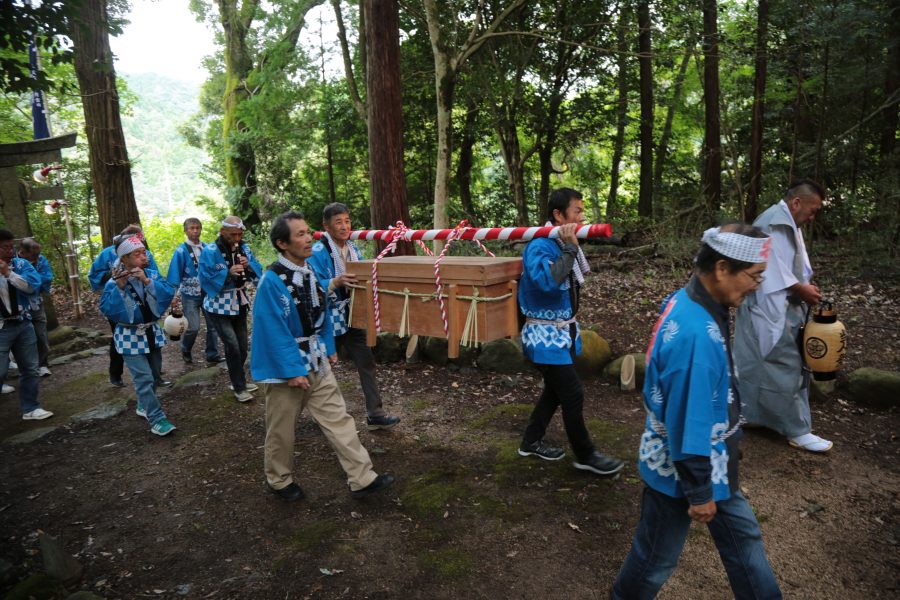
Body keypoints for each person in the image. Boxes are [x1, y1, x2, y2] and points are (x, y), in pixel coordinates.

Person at [612, 224, 782, 600]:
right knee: (655, 557)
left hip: (711, 461)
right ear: (722, 268)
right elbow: (688, 422)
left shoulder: (690, 299)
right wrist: (700, 491)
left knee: (744, 542)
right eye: (754, 276)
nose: (756, 285)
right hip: (685, 467)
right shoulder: (696, 337)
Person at [251, 210, 395, 501]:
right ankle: (278, 480)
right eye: (301, 234)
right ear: (282, 243)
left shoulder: (308, 271)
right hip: (286, 371)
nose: (309, 238)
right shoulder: (271, 281)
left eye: (308, 232)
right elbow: (272, 330)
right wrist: (292, 370)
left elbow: (321, 311)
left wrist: (328, 348)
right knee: (281, 430)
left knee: (339, 420)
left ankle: (362, 477)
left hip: (316, 361)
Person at [517, 188, 624, 476]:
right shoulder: (540, 245)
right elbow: (548, 283)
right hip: (543, 336)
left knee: (555, 391)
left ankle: (530, 441)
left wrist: (569, 246)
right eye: (577, 210)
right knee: (572, 393)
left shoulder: (561, 242)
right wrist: (569, 248)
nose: (582, 216)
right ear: (558, 215)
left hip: (560, 333)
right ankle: (585, 454)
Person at [733, 179, 831, 453]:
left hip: (777, 305)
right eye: (812, 210)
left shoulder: (786, 221)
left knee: (763, 362)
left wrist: (803, 287)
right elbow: (769, 269)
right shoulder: (772, 223)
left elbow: (787, 265)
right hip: (768, 306)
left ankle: (754, 415)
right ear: (797, 202)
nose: (813, 217)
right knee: (782, 362)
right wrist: (801, 289)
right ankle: (797, 430)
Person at [308, 203, 401, 430]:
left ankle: (375, 413)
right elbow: (309, 286)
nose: (344, 226)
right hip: (328, 318)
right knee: (319, 365)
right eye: (338, 222)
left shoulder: (353, 249)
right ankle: (317, 414)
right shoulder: (318, 253)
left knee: (366, 360)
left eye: (347, 221)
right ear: (326, 227)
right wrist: (334, 282)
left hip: (352, 314)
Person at [99, 235, 177, 436]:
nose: (144, 256)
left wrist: (148, 281)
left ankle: (143, 404)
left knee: (154, 374)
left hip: (151, 330)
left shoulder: (150, 274)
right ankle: (157, 419)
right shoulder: (114, 283)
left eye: (144, 252)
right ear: (124, 259)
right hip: (129, 336)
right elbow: (108, 310)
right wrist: (121, 288)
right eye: (138, 253)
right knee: (143, 378)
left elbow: (167, 294)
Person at [89, 224, 163, 388]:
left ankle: (154, 375)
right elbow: (94, 274)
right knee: (120, 335)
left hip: (144, 300)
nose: (142, 255)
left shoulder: (145, 254)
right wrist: (115, 279)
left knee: (150, 335)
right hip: (120, 303)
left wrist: (147, 280)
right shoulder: (107, 253)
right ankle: (116, 373)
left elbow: (156, 276)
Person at [199, 216, 262, 403]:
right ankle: (239, 387)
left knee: (243, 346)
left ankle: (238, 380)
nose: (236, 238)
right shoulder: (210, 251)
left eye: (239, 234)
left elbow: (258, 270)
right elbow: (204, 277)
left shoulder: (245, 248)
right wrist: (227, 273)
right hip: (218, 305)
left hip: (239, 301)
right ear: (222, 231)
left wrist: (248, 265)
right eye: (232, 234)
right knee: (232, 345)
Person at [0, 229, 50, 420]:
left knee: (30, 368)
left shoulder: (20, 265)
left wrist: (9, 274)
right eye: (4, 247)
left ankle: (31, 408)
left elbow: (32, 287)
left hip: (23, 322)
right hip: (1, 327)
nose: (10, 251)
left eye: (11, 246)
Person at [165, 218, 223, 365]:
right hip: (189, 295)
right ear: (186, 230)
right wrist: (174, 295)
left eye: (197, 228)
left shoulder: (207, 248)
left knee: (213, 326)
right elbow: (174, 274)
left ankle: (212, 353)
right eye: (191, 228)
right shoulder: (180, 251)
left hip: (208, 293)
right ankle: (185, 348)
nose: (195, 231)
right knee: (193, 327)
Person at [17, 237, 53, 376]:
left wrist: (30, 280)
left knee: (40, 334)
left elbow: (46, 278)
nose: (37, 257)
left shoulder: (41, 260)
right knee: (22, 337)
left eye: (38, 253)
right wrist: (29, 280)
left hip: (36, 303)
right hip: (19, 306)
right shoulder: (14, 262)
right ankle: (26, 367)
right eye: (34, 254)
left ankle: (43, 363)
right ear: (23, 252)